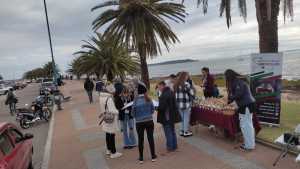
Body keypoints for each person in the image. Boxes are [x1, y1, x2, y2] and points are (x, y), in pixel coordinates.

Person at [225, 69, 256, 151]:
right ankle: (249, 144)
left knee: (246, 126)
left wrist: (230, 98)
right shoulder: (239, 80)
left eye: (226, 77)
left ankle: (249, 146)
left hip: (246, 105)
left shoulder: (238, 82)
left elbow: (239, 94)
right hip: (247, 104)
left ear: (229, 76)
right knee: (247, 125)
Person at [132, 82, 157, 164]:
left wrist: (138, 116)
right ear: (145, 91)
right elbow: (153, 110)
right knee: (150, 138)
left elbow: (133, 114)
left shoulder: (135, 101)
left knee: (140, 140)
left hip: (139, 122)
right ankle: (153, 156)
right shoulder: (149, 99)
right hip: (149, 121)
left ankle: (141, 158)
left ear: (138, 92)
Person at [99, 84, 122, 158]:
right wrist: (118, 111)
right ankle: (113, 152)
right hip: (111, 119)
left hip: (105, 117)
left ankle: (108, 150)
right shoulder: (109, 99)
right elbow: (112, 110)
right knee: (111, 135)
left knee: (107, 134)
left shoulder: (101, 97)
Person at [157, 81, 181, 151]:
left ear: (162, 86)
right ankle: (174, 145)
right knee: (172, 131)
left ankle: (170, 147)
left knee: (168, 132)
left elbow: (162, 107)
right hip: (172, 115)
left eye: (159, 87)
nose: (158, 88)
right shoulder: (171, 92)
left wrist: (157, 108)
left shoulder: (164, 95)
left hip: (166, 116)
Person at [174, 72, 195, 137]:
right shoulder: (186, 84)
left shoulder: (176, 84)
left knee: (181, 118)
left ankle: (182, 131)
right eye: (187, 76)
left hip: (178, 104)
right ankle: (186, 131)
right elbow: (192, 93)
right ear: (184, 77)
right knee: (186, 117)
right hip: (186, 104)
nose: (187, 77)